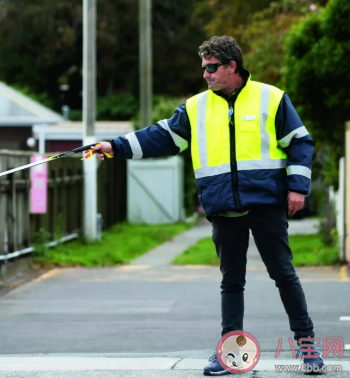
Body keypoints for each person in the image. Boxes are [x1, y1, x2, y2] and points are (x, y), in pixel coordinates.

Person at [90, 36, 324, 375]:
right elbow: (161, 136)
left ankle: (307, 346)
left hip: (266, 204)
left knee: (283, 275)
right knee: (232, 282)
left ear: (232, 66)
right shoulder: (196, 107)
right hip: (222, 207)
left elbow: (300, 143)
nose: (206, 75)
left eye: (212, 68)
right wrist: (115, 146)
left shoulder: (271, 99)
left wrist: (298, 188)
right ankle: (230, 353)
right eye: (203, 68)